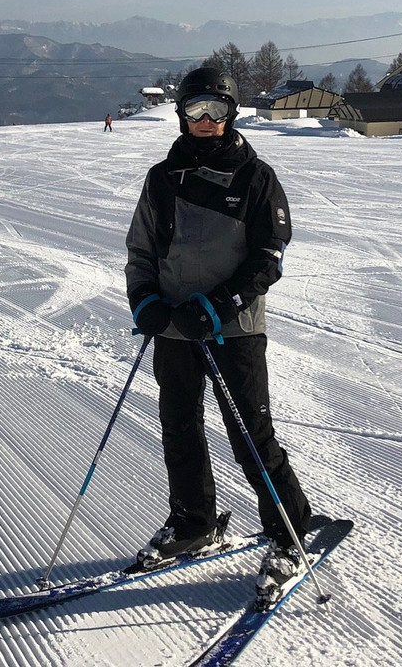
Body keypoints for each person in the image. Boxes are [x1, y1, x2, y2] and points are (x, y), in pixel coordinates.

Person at [124, 66, 312, 600]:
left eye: (218, 110)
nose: (207, 121)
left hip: (234, 328)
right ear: (180, 115)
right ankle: (193, 523)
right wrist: (146, 302)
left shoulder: (256, 177)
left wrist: (220, 305)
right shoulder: (163, 178)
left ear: (232, 114)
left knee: (250, 434)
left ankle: (291, 534)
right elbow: (141, 250)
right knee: (179, 427)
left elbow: (267, 259)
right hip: (177, 329)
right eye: (195, 110)